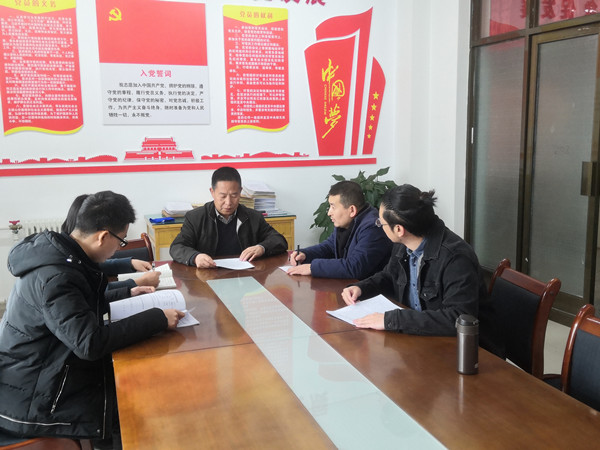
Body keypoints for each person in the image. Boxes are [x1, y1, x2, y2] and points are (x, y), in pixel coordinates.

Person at [0, 191, 184, 445]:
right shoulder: (57, 277)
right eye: (120, 242)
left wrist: (128, 292)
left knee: (133, 385)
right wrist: (157, 318)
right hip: (34, 395)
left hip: (46, 368)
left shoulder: (65, 256)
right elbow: (90, 343)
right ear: (103, 237)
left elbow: (80, 307)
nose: (117, 250)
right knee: (130, 407)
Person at [341, 184, 494, 337]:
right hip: (421, 336)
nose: (380, 226)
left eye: (381, 223)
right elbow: (389, 276)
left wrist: (392, 320)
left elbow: (457, 319)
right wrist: (361, 288)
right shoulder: (404, 243)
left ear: (399, 230)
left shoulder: (456, 258)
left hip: (465, 346)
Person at [170, 166, 288, 268]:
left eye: (234, 195)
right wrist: (195, 257)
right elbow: (177, 247)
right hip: (208, 275)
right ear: (212, 192)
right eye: (223, 196)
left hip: (245, 276)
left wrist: (262, 248)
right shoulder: (195, 217)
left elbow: (279, 240)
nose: (228, 202)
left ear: (240, 192)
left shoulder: (253, 217)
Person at [287, 180, 392, 279]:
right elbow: (329, 247)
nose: (329, 213)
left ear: (352, 210)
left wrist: (312, 267)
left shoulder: (373, 228)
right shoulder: (346, 222)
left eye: (333, 207)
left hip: (370, 289)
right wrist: (305, 254)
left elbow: (354, 267)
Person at [62, 194, 160, 290]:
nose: (118, 248)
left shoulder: (71, 253)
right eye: (120, 241)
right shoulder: (65, 274)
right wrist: (138, 282)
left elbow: (97, 267)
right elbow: (98, 291)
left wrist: (130, 263)